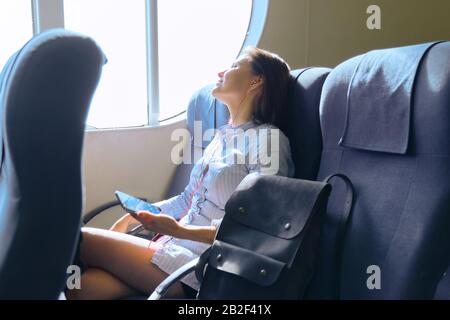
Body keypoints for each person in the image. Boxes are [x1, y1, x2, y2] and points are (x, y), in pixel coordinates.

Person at [66, 47, 295, 300]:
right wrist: (137, 216)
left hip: (203, 266)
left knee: (80, 241)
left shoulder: (270, 140)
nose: (221, 72)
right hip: (172, 247)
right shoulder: (220, 139)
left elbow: (259, 228)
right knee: (79, 288)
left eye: (234, 66)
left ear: (256, 80)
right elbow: (187, 200)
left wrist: (179, 231)